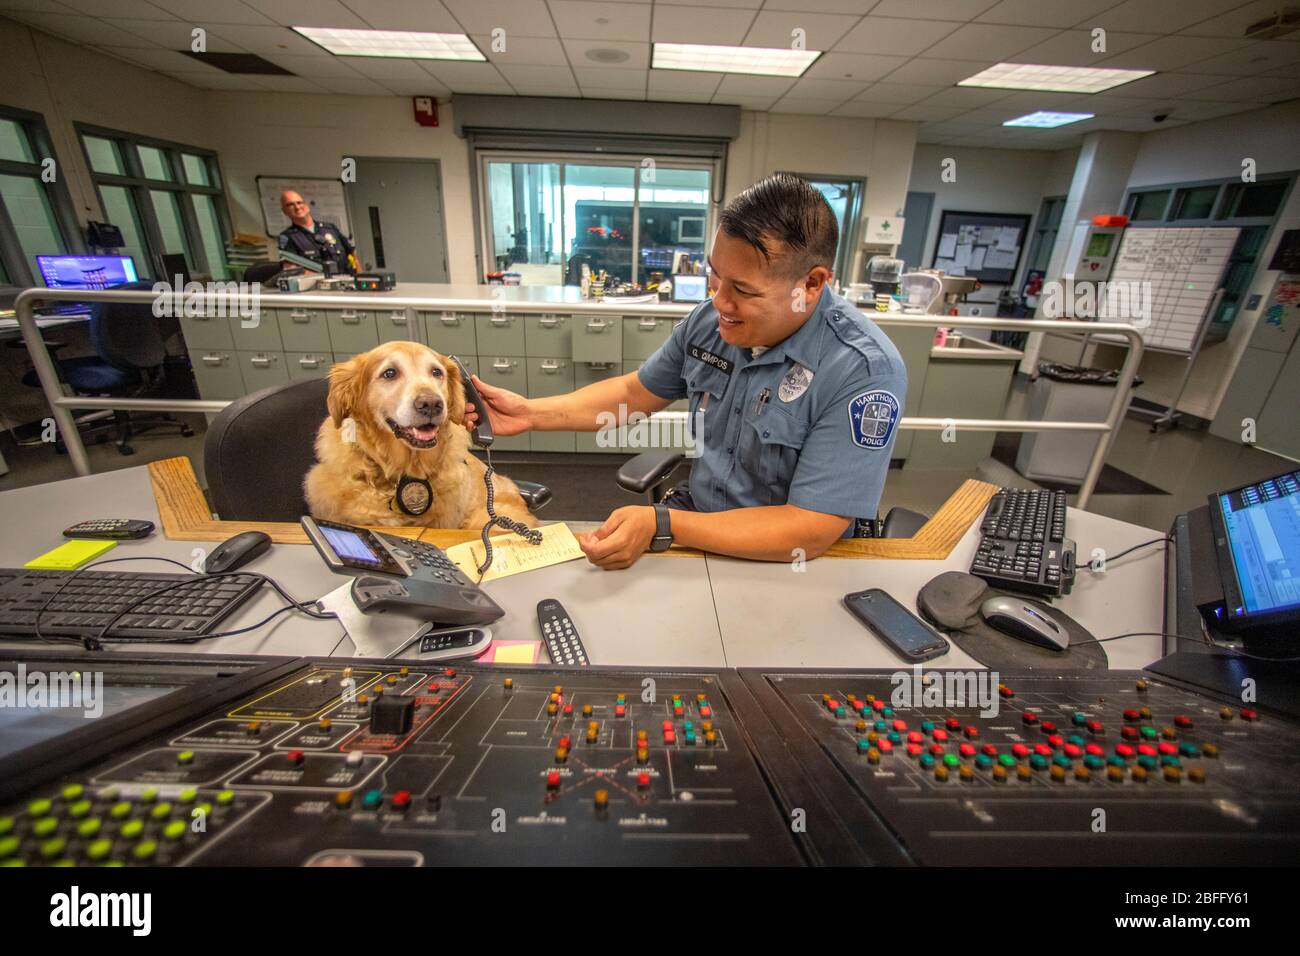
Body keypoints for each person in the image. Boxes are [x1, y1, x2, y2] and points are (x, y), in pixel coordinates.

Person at [466, 173, 907, 570]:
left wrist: (666, 523)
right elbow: (637, 393)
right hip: (700, 528)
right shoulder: (709, 322)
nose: (720, 302)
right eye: (715, 278)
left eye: (743, 290)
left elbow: (808, 528)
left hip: (792, 563)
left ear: (810, 285)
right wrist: (530, 414)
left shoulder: (862, 370)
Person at [276, 190, 357, 273]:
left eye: (299, 203)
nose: (297, 207)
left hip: (348, 281)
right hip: (317, 284)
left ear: (307, 206)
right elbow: (292, 269)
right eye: (290, 205)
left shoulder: (330, 228)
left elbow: (352, 253)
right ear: (284, 211)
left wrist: (360, 278)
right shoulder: (287, 237)